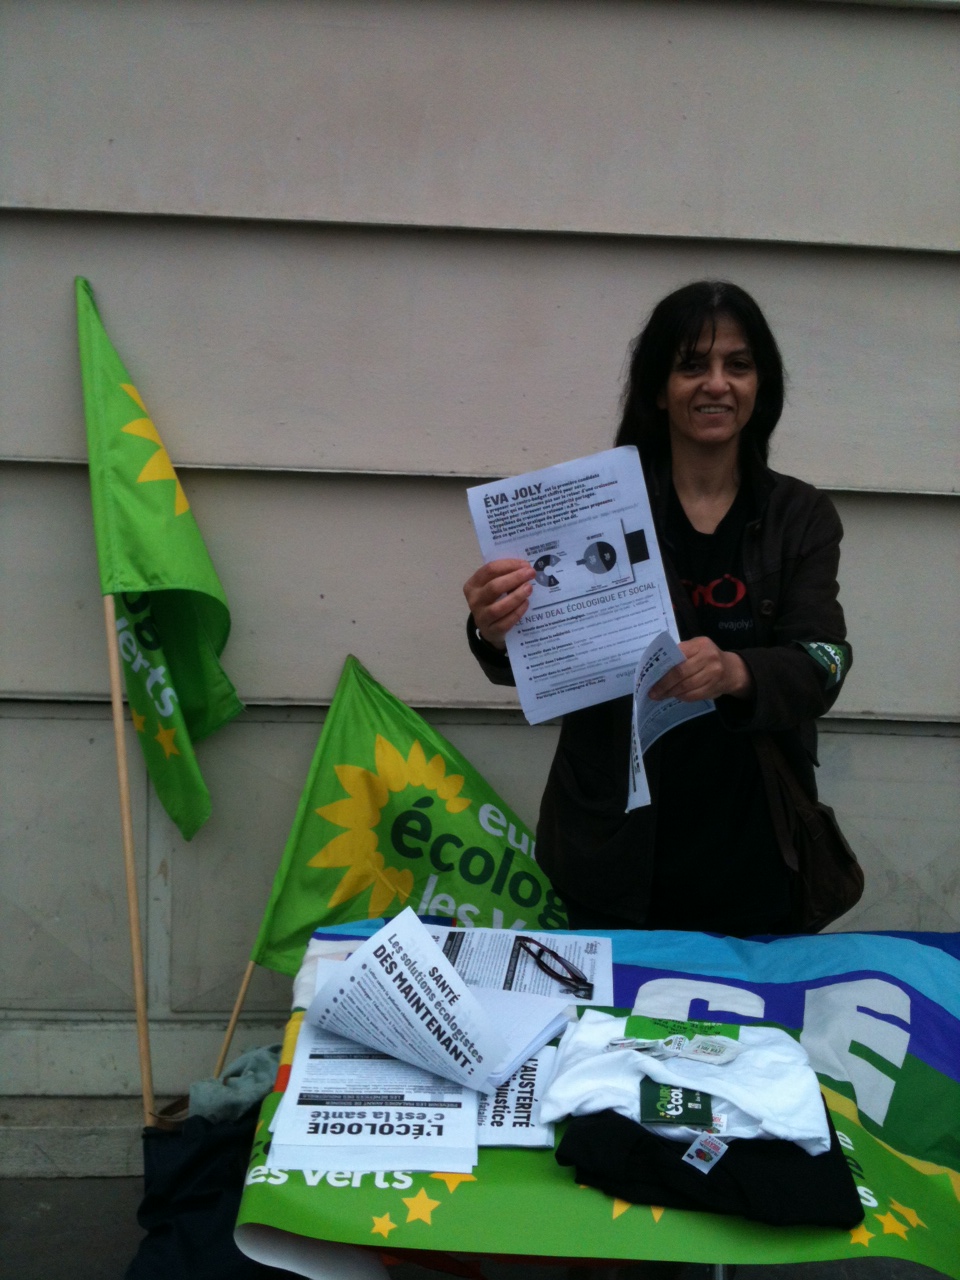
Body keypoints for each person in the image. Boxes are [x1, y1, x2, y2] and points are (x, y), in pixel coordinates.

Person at [463, 281, 851, 935]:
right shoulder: (590, 506)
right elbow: (526, 659)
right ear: (657, 388)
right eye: (692, 365)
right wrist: (493, 627)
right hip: (610, 851)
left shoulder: (800, 515)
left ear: (763, 385)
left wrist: (736, 672)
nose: (716, 384)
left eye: (738, 364)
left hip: (754, 852)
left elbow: (825, 662)